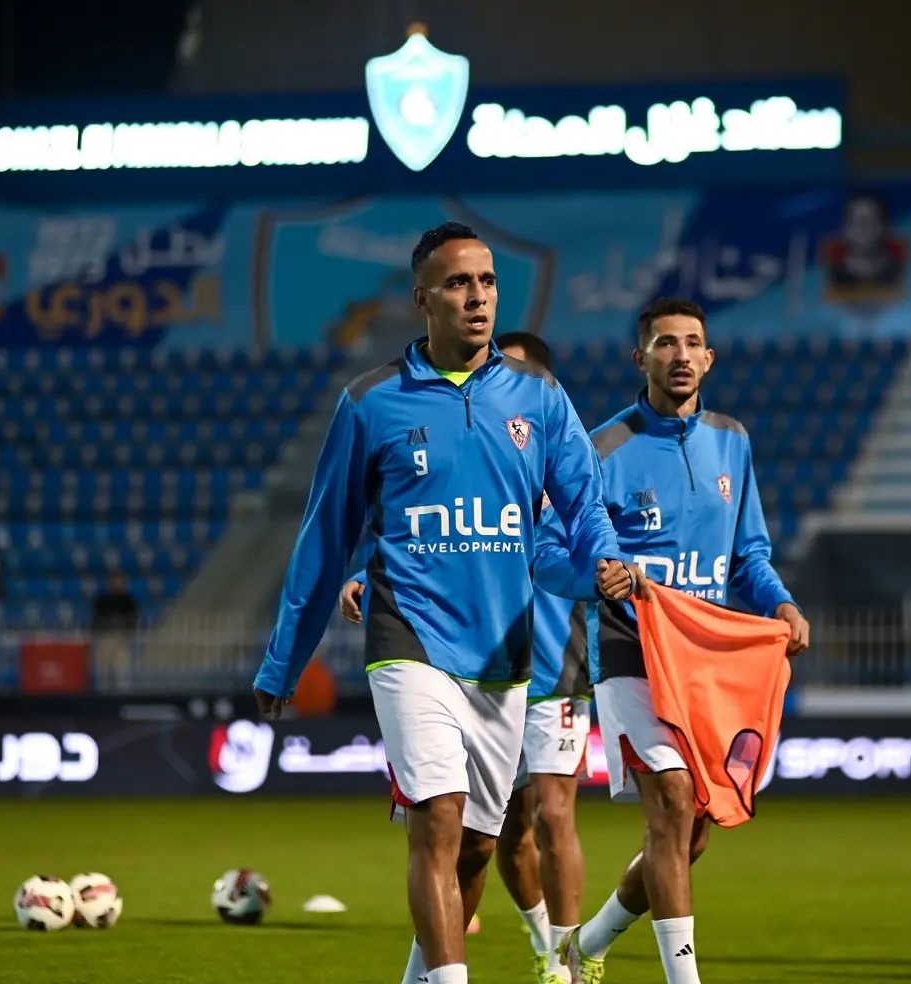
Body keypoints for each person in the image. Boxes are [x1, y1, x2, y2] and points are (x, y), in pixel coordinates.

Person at [253, 222, 644, 984]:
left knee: (477, 843)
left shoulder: (538, 396)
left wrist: (603, 560)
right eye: (460, 283)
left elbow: (584, 505)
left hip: (503, 655)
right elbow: (324, 541)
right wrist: (282, 662)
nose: (478, 297)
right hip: (410, 637)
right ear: (422, 297)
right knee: (436, 820)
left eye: (488, 282)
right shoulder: (371, 404)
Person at [531, 297, 810, 984]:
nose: (680, 354)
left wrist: (781, 602)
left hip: (703, 658)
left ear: (709, 357)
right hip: (629, 649)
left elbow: (748, 555)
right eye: (665, 343)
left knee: (692, 833)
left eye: (692, 343)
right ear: (641, 358)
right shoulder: (601, 449)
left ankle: (586, 944)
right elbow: (543, 552)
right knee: (674, 800)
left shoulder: (732, 441)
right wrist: (597, 579)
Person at [340, 330, 594, 984]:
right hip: (460, 667)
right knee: (489, 839)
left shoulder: (568, 466)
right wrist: (373, 577)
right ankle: (530, 944)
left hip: (551, 669)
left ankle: (567, 965)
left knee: (553, 811)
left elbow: (583, 555)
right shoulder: (461, 452)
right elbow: (423, 535)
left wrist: (606, 573)